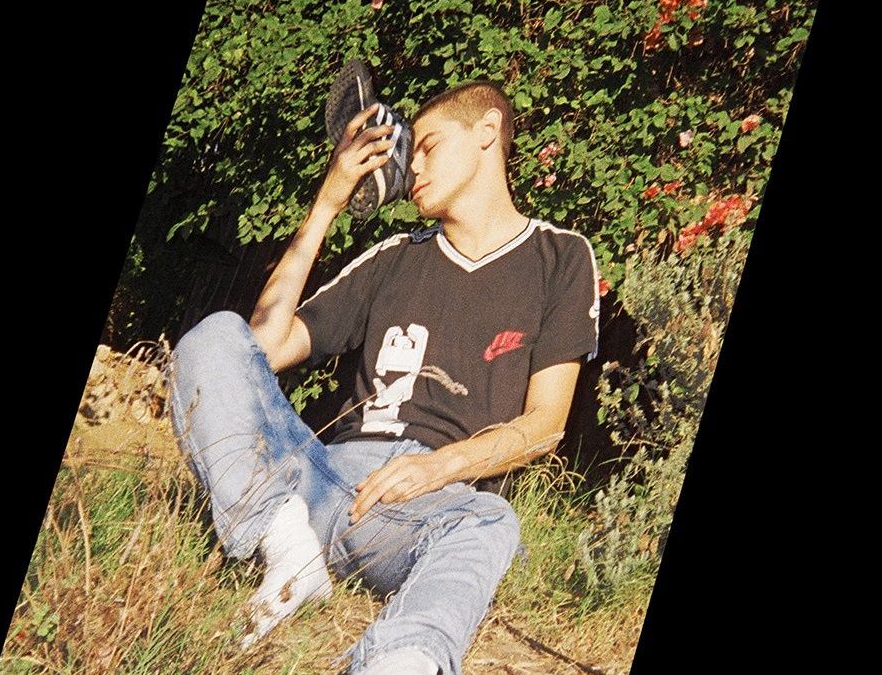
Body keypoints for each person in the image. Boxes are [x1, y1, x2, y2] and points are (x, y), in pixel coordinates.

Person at [164, 78, 600, 675]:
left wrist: (439, 467)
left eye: (428, 146)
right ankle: (286, 548)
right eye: (410, 151)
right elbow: (262, 345)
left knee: (491, 522)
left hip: (424, 506)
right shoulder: (394, 256)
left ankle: (402, 660)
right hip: (314, 481)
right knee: (215, 333)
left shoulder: (560, 257)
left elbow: (546, 424)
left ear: (487, 134)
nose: (410, 165)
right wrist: (327, 202)